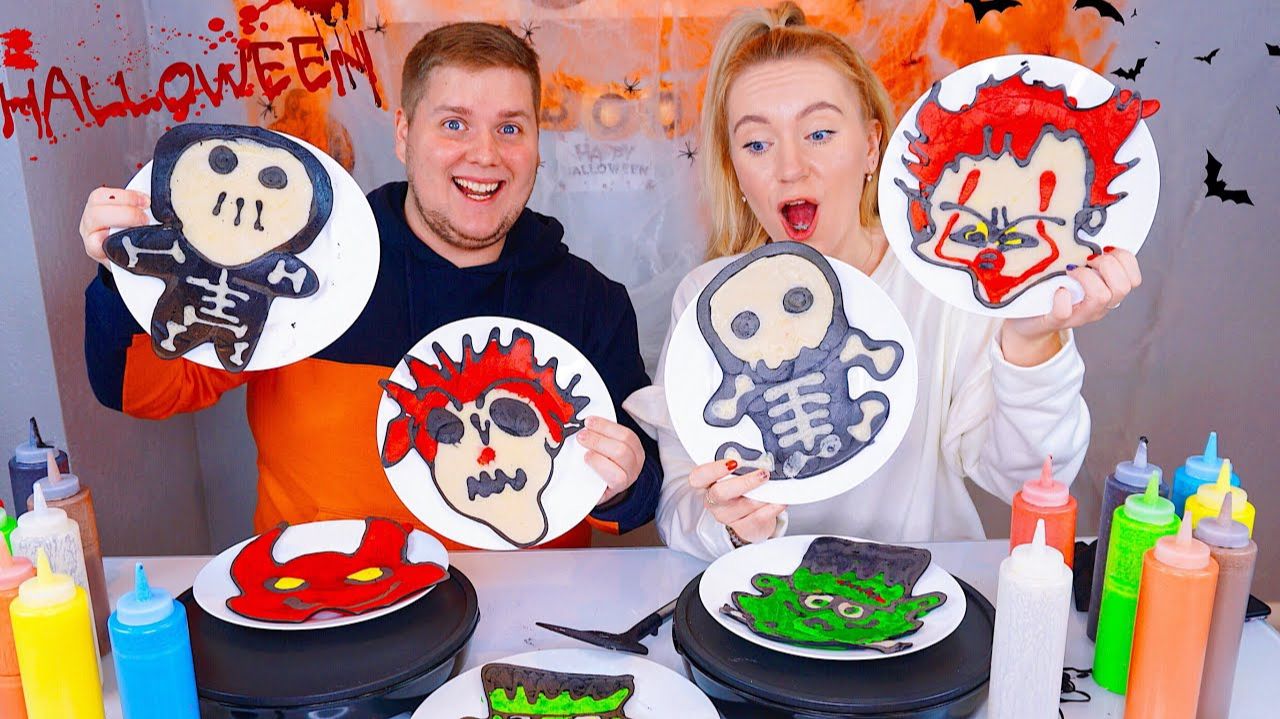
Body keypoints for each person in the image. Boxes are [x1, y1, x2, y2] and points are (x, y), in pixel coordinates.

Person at [80, 22, 660, 548]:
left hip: (522, 615)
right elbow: (139, 390)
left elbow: (637, 498)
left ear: (536, 145)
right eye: (454, 124)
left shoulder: (592, 302)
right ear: (403, 134)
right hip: (317, 601)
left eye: (510, 128)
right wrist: (125, 272)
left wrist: (624, 483)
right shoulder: (297, 264)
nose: (485, 154)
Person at [625, 2, 1142, 560]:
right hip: (765, 597)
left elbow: (1031, 477)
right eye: (756, 144)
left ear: (872, 146)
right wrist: (727, 526)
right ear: (736, 171)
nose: (790, 168)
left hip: (924, 597)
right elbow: (678, 508)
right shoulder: (707, 300)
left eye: (819, 133)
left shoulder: (941, 282)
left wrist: (1031, 341)